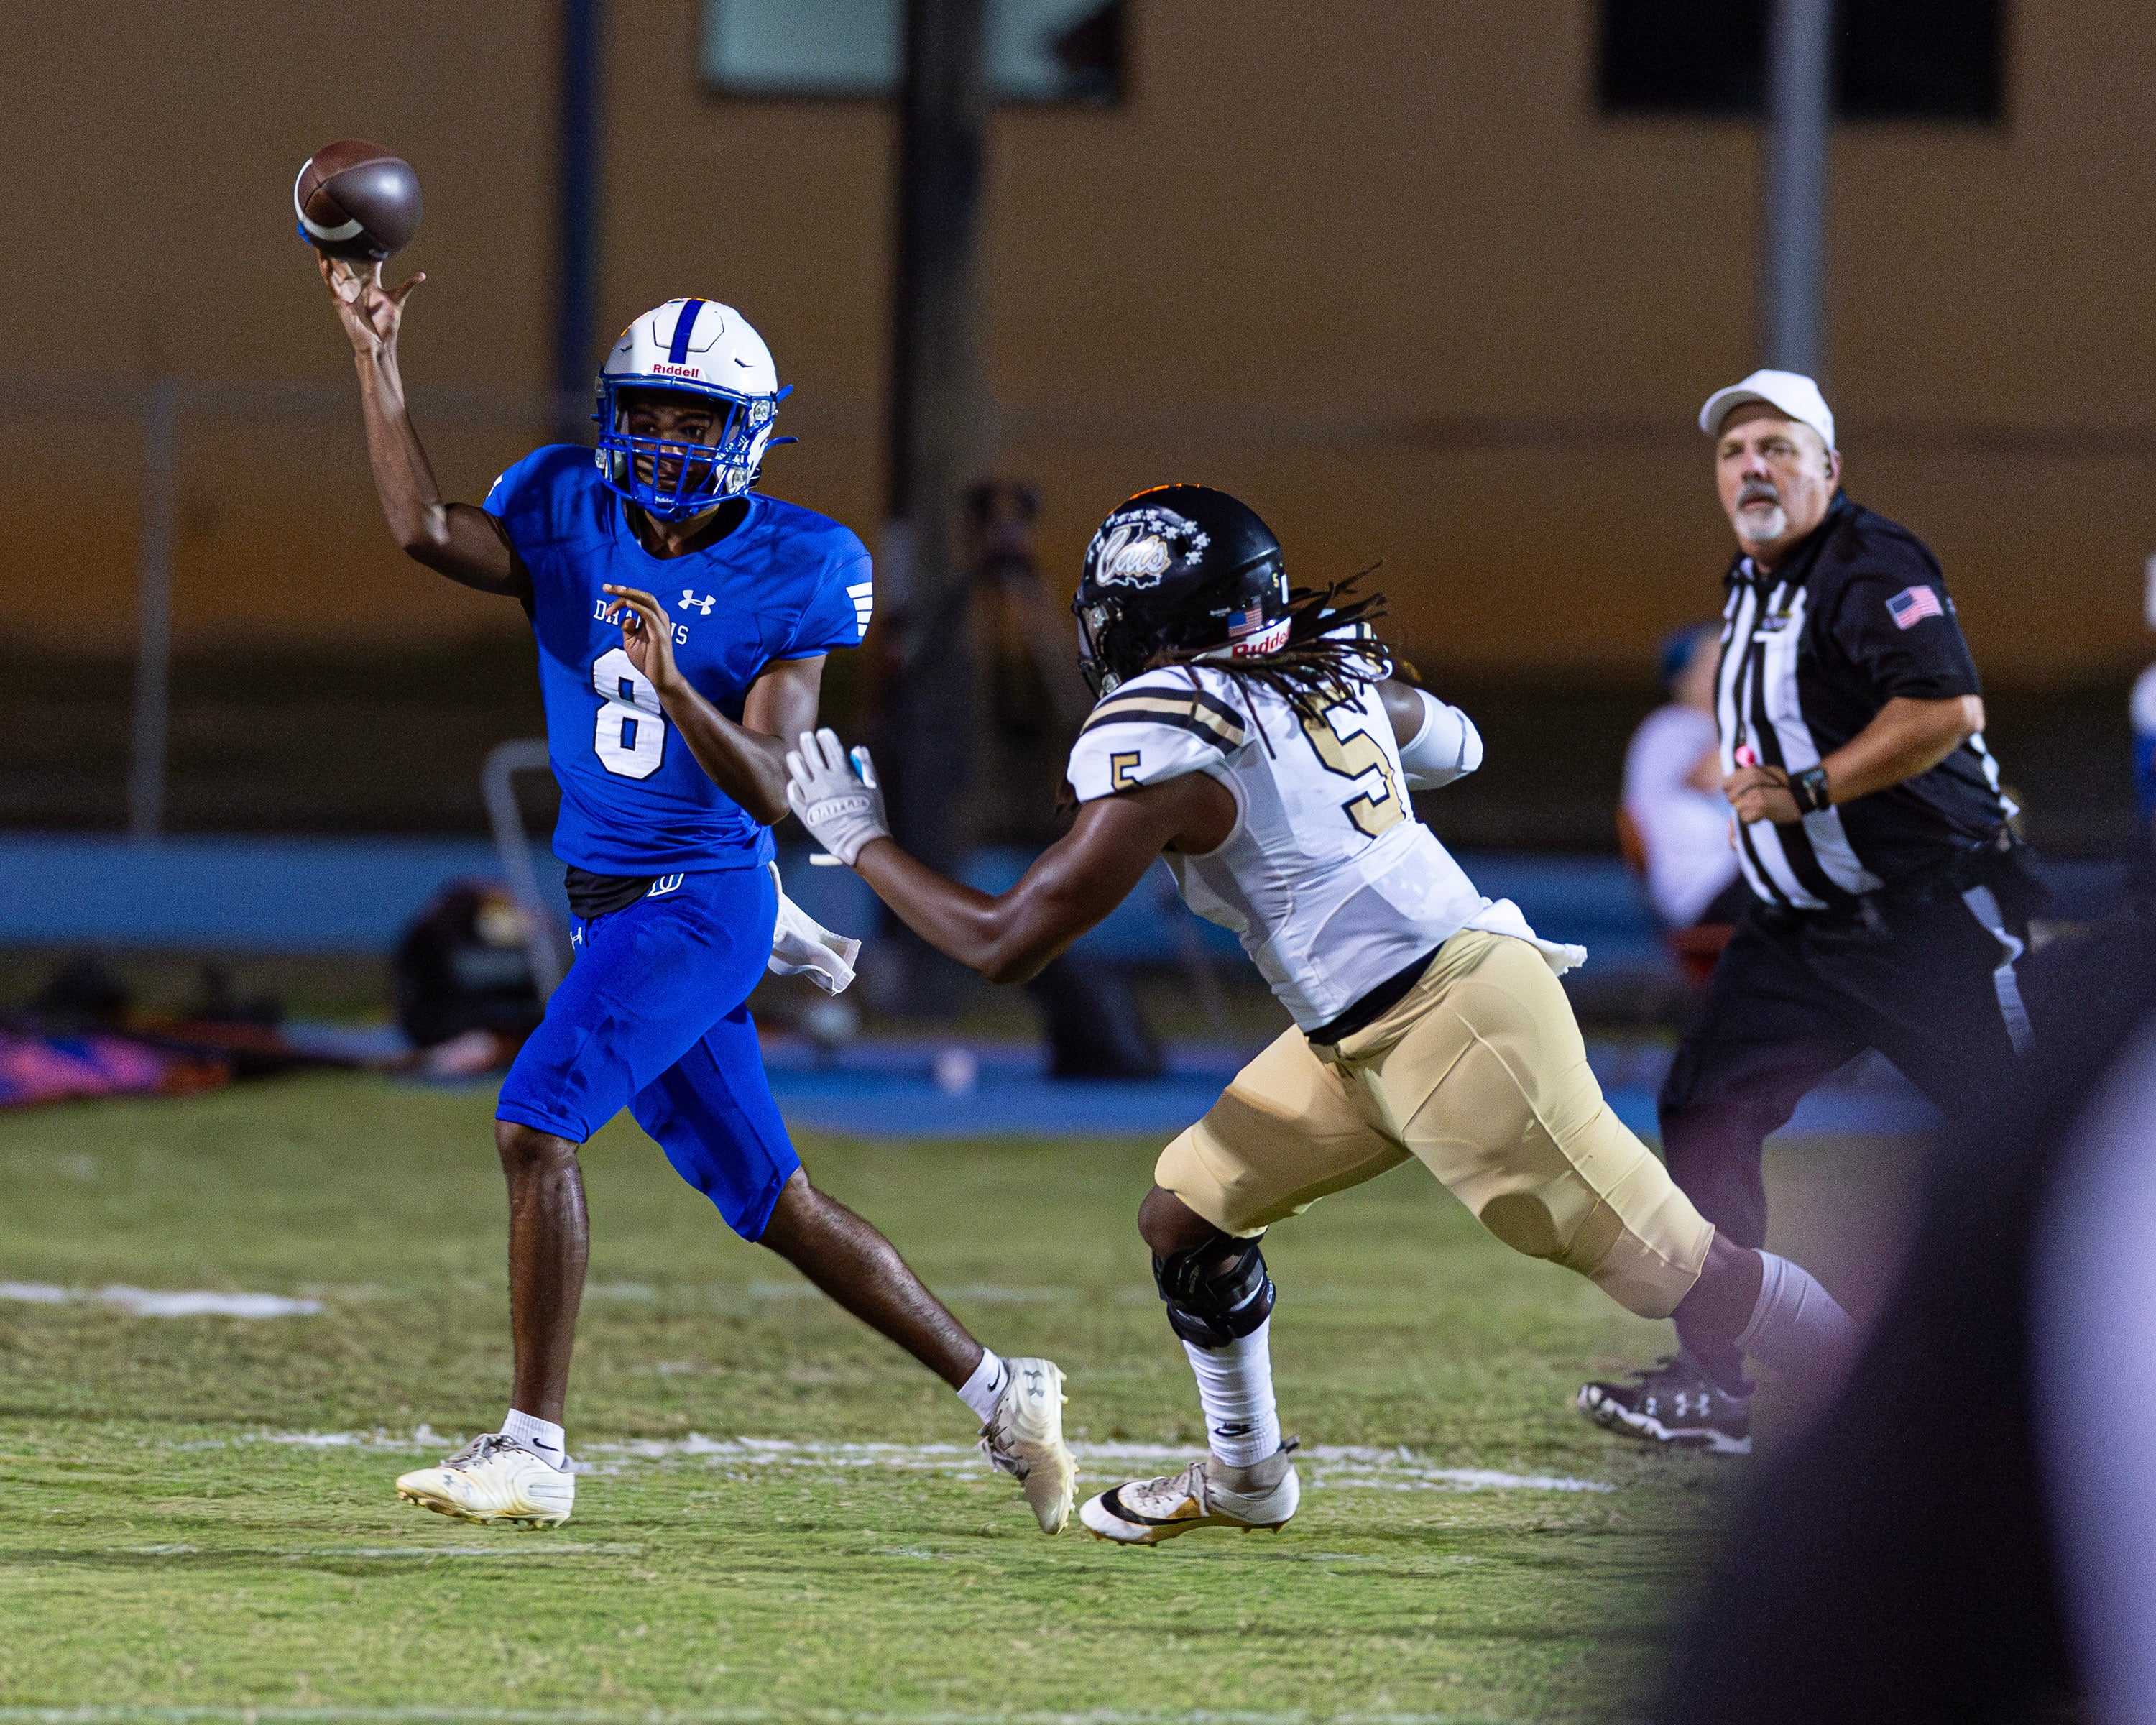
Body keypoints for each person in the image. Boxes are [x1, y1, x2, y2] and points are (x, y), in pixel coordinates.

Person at [783, 484, 1858, 1542]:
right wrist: (1348, 700)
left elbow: (1006, 942)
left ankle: (1917, 1404)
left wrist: (863, 840)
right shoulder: (1327, 664)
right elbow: (1461, 745)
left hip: (1454, 1023)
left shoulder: (1169, 735)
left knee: (1682, 1271)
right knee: (1188, 1213)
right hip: (1354, 1033)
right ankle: (1248, 1477)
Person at [318, 259, 1074, 1532]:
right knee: (774, 1203)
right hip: (613, 904)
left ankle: (533, 1449)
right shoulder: (563, 502)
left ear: (750, 435)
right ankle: (1004, 1391)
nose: (664, 440)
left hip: (702, 899)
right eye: (647, 413)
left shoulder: (800, 563)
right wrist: (376, 361)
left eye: (695, 419)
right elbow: (422, 532)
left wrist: (676, 687)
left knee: (533, 1120)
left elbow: (775, 783)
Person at [1576, 369, 2040, 1453]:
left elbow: (1944, 706)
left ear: (1829, 468)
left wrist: (1811, 788)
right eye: (1736, 452)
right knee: (1703, 1114)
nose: (1754, 467)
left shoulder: (1870, 563)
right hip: (1798, 931)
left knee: (2024, 1134)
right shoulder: (1750, 581)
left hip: (1924, 922)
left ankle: (2069, 1374)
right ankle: (1712, 1381)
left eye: (1779, 447)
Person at [1622, 625, 1746, 932]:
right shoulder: (1670, 726)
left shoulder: (1712, 729)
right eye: (1713, 662)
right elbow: (1709, 777)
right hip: (1704, 889)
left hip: (1735, 877)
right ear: (1682, 676)